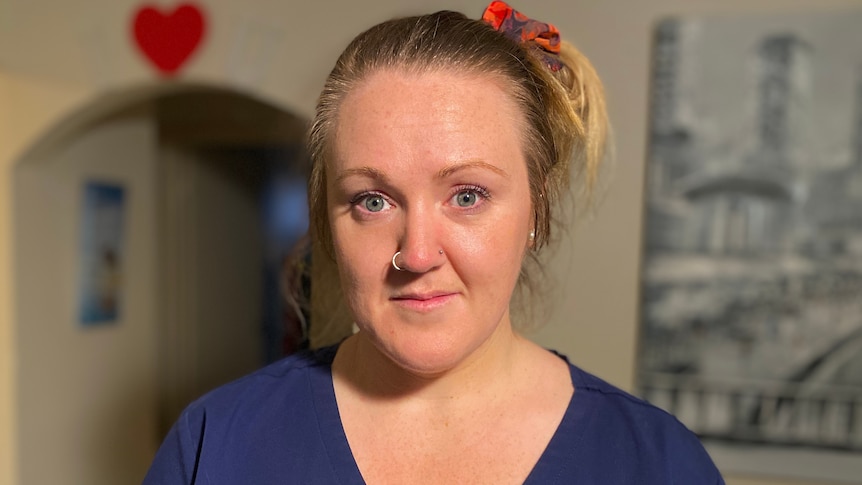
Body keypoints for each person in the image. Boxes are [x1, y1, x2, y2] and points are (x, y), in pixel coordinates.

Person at [144, 2, 724, 483]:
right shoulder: (213, 445)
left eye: (467, 195)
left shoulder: (659, 465)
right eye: (373, 201)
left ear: (536, 207)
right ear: (327, 220)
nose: (417, 255)